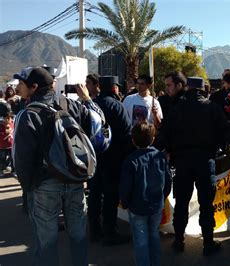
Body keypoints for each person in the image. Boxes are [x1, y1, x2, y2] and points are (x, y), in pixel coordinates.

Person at [12, 67, 100, 266]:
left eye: (21, 83)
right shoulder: (69, 105)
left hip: (45, 186)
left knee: (47, 242)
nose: (18, 86)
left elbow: (22, 160)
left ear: (34, 87)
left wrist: (29, 189)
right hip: (76, 181)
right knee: (78, 237)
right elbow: (95, 131)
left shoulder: (28, 115)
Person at [157, 76, 230, 256]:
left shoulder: (177, 109)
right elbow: (229, 134)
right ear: (203, 89)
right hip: (205, 162)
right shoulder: (212, 108)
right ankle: (208, 243)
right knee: (207, 204)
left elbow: (164, 136)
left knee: (181, 203)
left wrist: (148, 152)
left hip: (182, 163)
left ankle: (178, 240)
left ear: (188, 88)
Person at [89, 75, 133, 246]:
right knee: (110, 196)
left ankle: (94, 230)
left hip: (94, 157)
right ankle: (110, 232)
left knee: (94, 193)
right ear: (114, 88)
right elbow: (126, 132)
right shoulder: (117, 106)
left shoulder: (91, 105)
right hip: (113, 159)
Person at [120, 122, 171, 266]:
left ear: (133, 140)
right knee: (154, 234)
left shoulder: (130, 161)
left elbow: (126, 187)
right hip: (156, 205)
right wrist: (162, 197)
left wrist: (125, 202)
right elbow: (168, 182)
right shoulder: (160, 157)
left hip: (137, 207)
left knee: (140, 240)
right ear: (153, 139)